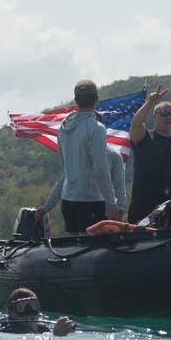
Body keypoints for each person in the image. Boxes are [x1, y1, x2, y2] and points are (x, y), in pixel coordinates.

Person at [36, 79, 120, 235]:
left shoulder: (63, 130)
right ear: (97, 98)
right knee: (91, 253)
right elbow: (100, 170)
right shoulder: (97, 129)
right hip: (90, 201)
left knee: (74, 252)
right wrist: (112, 204)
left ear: (76, 101)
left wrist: (48, 205)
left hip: (68, 201)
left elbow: (64, 173)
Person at [127, 85, 171, 223]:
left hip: (170, 209)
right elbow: (135, 125)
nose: (168, 117)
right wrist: (150, 102)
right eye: (164, 114)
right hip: (142, 207)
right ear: (154, 116)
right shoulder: (144, 137)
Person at [38, 144, 126, 235]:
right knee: (74, 244)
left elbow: (119, 185)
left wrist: (120, 209)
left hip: (91, 204)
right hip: (71, 203)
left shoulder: (113, 154)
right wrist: (46, 207)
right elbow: (62, 180)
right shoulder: (76, 152)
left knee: (88, 243)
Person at [0, 287, 76, 335]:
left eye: (33, 306)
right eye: (22, 307)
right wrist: (55, 336)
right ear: (10, 312)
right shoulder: (11, 330)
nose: (29, 312)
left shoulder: (42, 329)